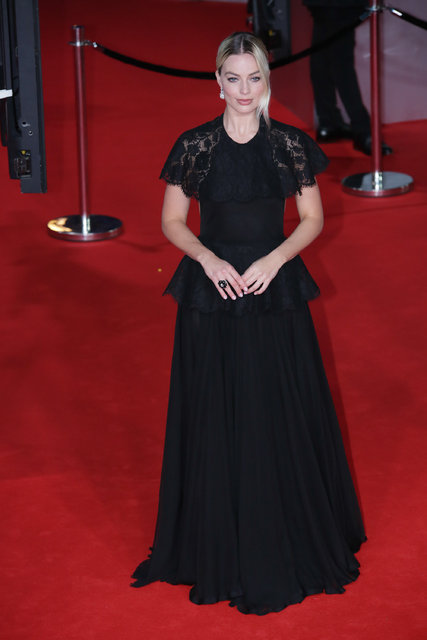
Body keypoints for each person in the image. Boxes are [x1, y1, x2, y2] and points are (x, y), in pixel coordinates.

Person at [131, 32, 366, 616]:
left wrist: (274, 260)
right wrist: (207, 260)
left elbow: (311, 218)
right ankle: (216, 535)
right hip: (212, 293)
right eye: (232, 78)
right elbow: (172, 220)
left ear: (266, 81)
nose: (243, 89)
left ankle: (286, 528)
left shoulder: (288, 144)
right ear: (217, 81)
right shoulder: (194, 145)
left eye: (253, 78)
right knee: (213, 408)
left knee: (276, 405)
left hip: (271, 287)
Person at [303, 0, 392, 155]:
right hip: (341, 4)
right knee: (341, 63)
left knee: (323, 55)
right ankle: (362, 130)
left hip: (322, 4)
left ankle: (329, 122)